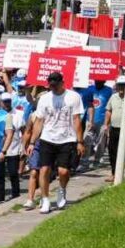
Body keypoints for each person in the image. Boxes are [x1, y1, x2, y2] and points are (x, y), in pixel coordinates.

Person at [34, 72, 84, 214]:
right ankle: (45, 199)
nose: (53, 88)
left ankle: (62, 189)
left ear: (62, 83)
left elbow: (76, 120)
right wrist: (32, 142)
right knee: (44, 169)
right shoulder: (44, 99)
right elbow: (39, 121)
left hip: (66, 138)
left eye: (56, 85)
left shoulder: (73, 97)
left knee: (63, 171)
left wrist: (80, 141)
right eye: (51, 86)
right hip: (47, 138)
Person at [80, 79, 113, 170]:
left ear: (104, 81)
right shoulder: (89, 89)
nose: (97, 83)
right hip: (89, 120)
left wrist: (108, 123)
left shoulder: (109, 91)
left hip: (102, 120)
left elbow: (111, 107)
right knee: (86, 140)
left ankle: (97, 160)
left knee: (101, 142)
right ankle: (84, 162)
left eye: (100, 81)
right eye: (96, 81)